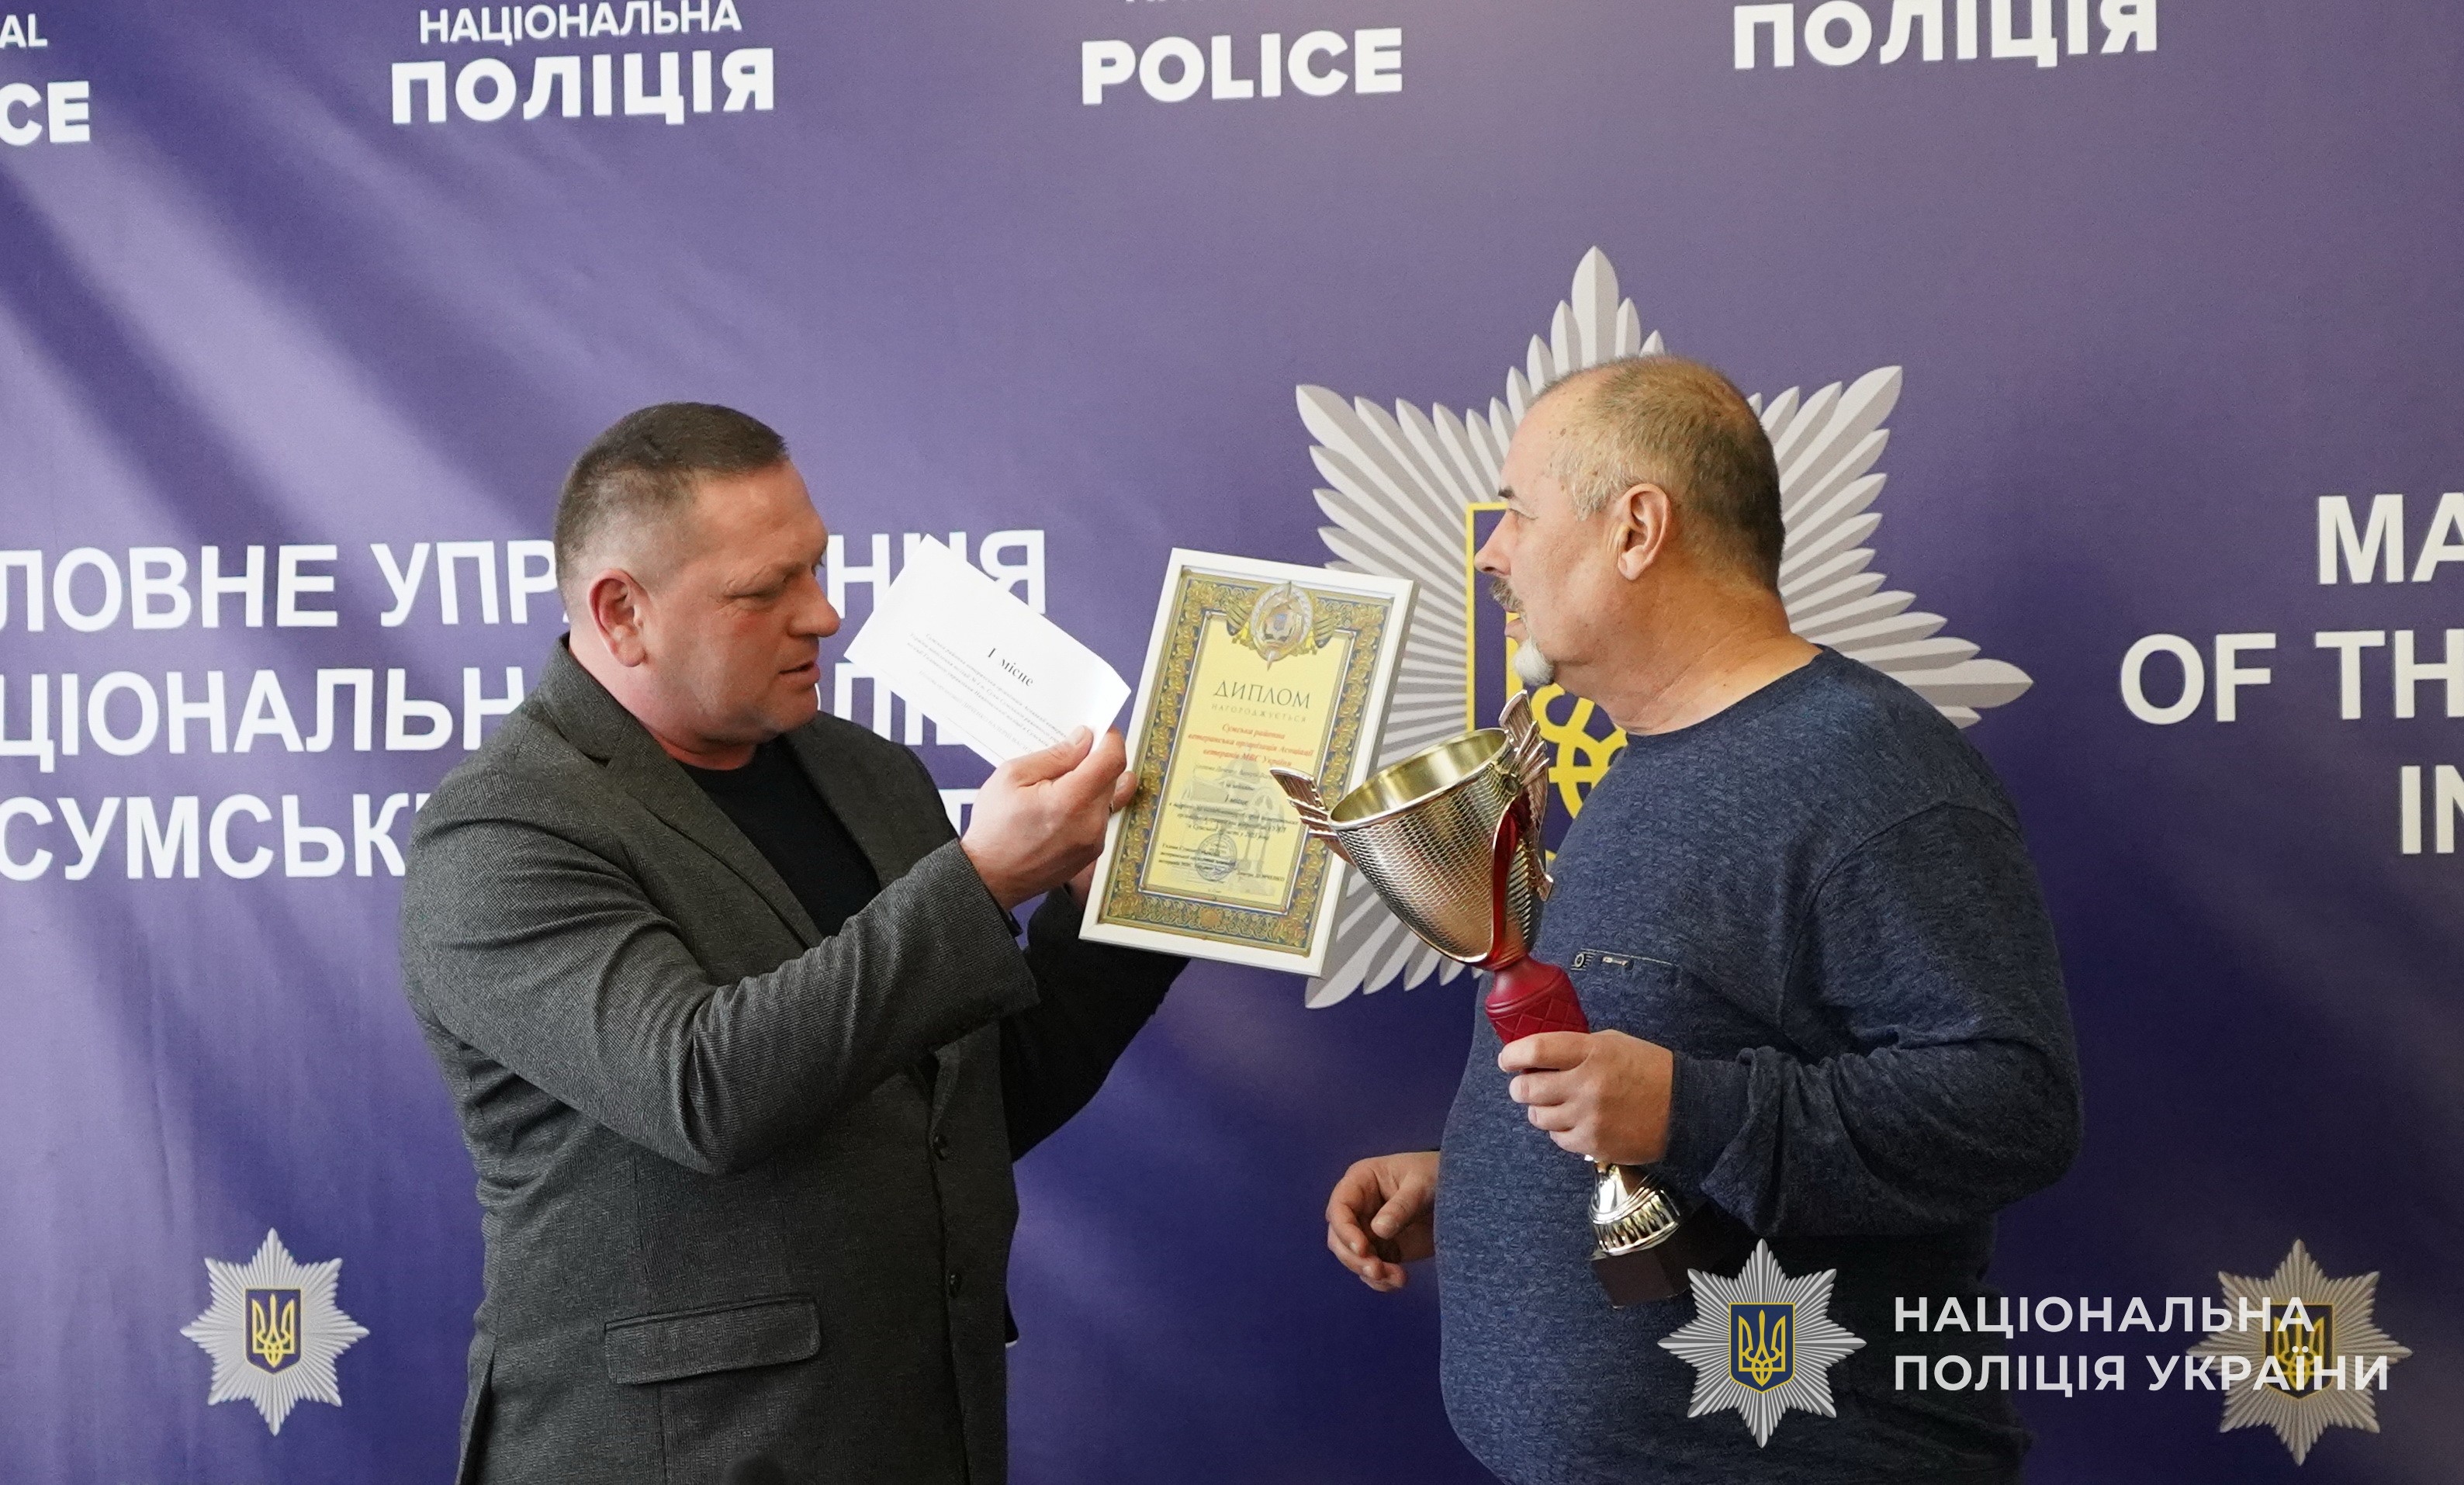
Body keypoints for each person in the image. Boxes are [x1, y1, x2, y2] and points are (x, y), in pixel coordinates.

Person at [1322, 357, 2082, 1482]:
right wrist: (1484, 1185)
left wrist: (1691, 1109)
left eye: (1519, 512)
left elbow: (2015, 1106)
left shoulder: (1871, 770)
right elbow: (1675, 1076)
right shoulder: (1648, 764)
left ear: (1635, 529)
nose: (1492, 551)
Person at [400, 403, 1184, 1485]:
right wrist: (984, 880)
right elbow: (703, 1088)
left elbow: (971, 1105)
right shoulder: (501, 832)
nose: (823, 613)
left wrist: (1116, 905)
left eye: (816, 566)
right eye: (766, 590)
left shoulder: (870, 774)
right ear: (622, 612)